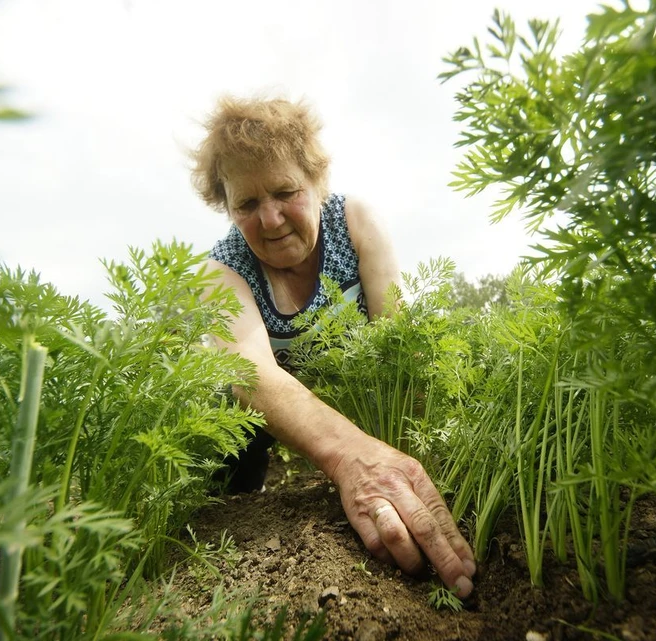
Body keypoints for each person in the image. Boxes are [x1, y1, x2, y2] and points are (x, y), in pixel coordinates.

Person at [191, 95, 476, 598]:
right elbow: (251, 372)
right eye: (248, 204)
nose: (272, 219)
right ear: (227, 207)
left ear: (317, 182)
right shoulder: (220, 271)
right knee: (227, 479)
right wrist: (352, 459)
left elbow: (400, 350)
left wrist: (411, 457)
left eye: (285, 191)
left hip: (351, 400)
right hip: (267, 418)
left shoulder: (355, 224)